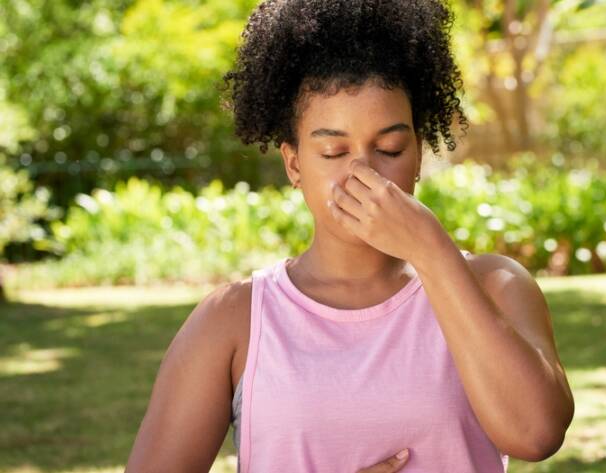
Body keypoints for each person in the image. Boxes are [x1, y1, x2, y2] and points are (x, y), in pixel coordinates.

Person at [125, 0, 574, 471]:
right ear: (294, 164)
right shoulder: (234, 320)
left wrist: (431, 251)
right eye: (333, 152)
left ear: (418, 154)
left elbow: (536, 434)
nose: (364, 173)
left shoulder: (494, 285)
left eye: (390, 148)